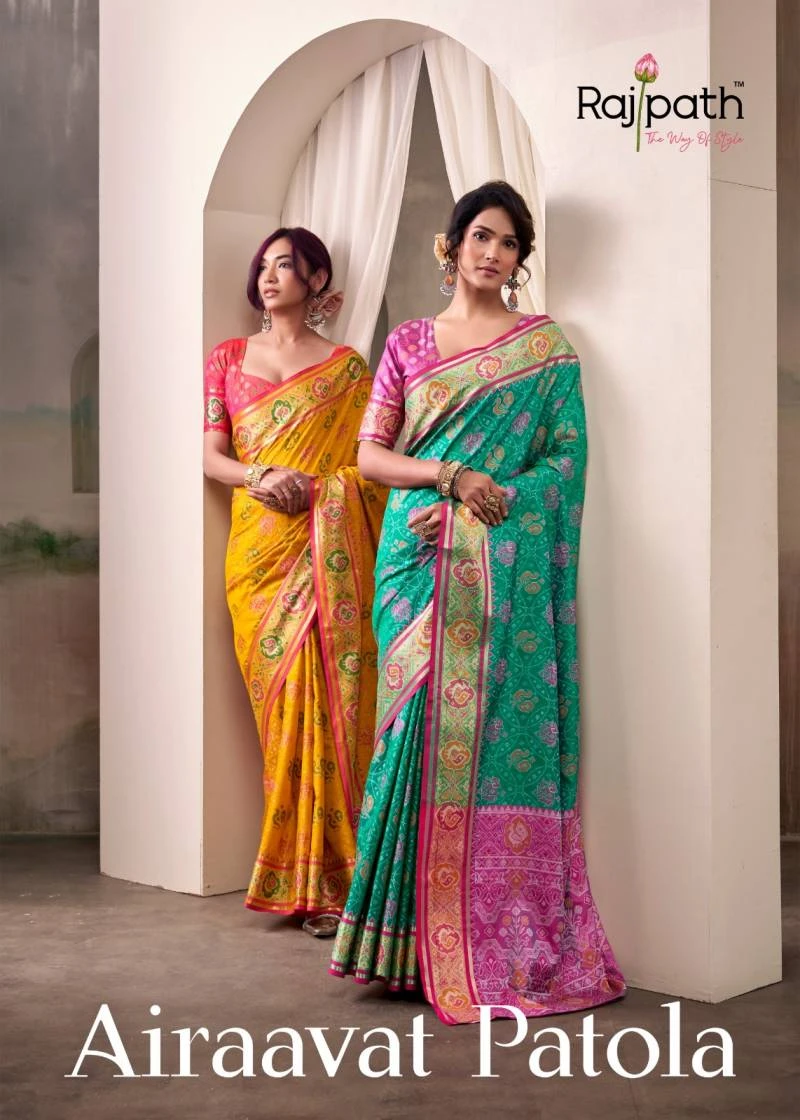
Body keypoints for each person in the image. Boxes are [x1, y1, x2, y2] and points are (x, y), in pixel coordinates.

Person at [329, 182, 626, 1020]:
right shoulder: (408, 343)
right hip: (414, 556)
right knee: (409, 736)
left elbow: (566, 463)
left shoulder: (546, 350)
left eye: (509, 243)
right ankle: (396, 943)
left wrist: (486, 508)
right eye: (482, 236)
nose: (493, 253)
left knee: (481, 739)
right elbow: (371, 457)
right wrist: (450, 477)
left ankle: (463, 937)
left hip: (491, 560)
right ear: (451, 244)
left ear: (520, 259)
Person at [203, 228, 386, 935]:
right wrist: (259, 474)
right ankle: (296, 876)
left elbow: (369, 469)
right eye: (264, 265)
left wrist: (322, 492)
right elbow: (211, 456)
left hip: (327, 549)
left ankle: (340, 885)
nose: (270, 275)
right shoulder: (227, 358)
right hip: (259, 556)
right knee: (281, 716)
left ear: (316, 281)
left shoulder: (346, 370)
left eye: (287, 265)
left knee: (336, 707)